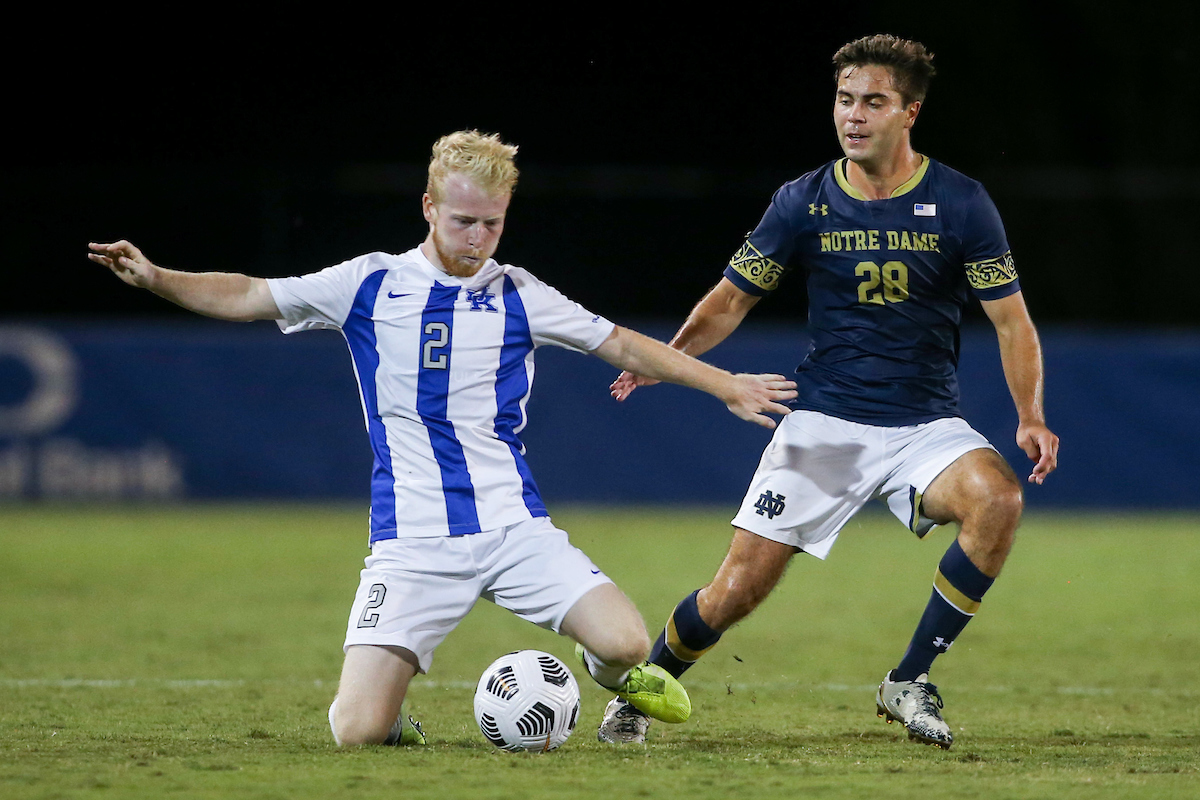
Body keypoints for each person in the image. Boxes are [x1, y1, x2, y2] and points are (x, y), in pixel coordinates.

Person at [87, 130, 797, 746]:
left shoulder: (519, 291)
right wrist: (155, 278)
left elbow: (621, 344)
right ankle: (396, 724)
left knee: (624, 644)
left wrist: (724, 383)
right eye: (464, 222)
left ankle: (606, 677)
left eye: (493, 224)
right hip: (412, 541)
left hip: (514, 528)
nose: (478, 239)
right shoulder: (368, 283)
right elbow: (249, 294)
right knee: (354, 731)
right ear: (429, 208)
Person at [600, 35, 1060, 749]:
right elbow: (729, 301)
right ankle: (641, 688)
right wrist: (670, 357)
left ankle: (909, 679)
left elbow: (1013, 324)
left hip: (924, 428)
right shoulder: (804, 201)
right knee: (735, 592)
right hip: (825, 424)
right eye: (846, 100)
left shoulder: (962, 202)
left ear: (909, 112)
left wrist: (1030, 416)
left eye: (873, 101)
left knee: (997, 497)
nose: (854, 115)